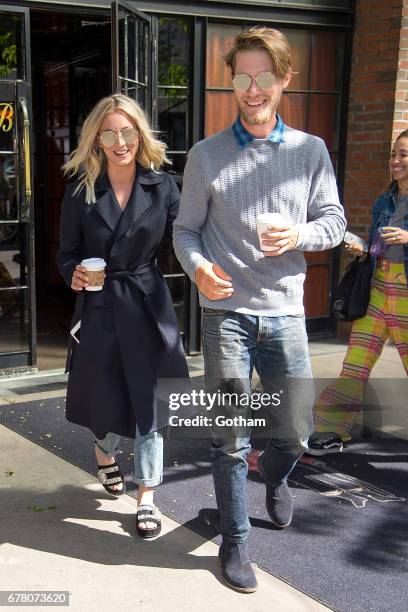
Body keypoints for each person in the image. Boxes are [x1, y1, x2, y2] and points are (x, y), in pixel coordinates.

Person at [173, 26, 346, 593]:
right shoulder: (205, 155)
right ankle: (236, 542)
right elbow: (186, 231)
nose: (252, 88)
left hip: (286, 312)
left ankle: (276, 474)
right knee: (229, 435)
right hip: (226, 313)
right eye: (242, 77)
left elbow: (334, 223)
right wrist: (199, 268)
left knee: (295, 431)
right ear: (232, 82)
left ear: (284, 80)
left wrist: (297, 234)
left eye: (263, 77)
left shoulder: (310, 151)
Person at [59, 93, 188, 538]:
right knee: (105, 397)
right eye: (110, 132)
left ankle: (147, 495)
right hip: (98, 307)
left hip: (147, 303)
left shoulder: (164, 186)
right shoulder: (80, 190)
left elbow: (186, 240)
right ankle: (104, 453)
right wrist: (73, 274)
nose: (120, 141)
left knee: (152, 401)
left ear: (139, 134)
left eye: (128, 131)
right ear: (97, 138)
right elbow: (67, 254)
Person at [308, 130, 408, 455]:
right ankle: (329, 430)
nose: (395, 161)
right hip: (378, 289)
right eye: (394, 154)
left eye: (403, 155)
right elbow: (379, 247)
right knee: (355, 363)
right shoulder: (385, 200)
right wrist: (363, 251)